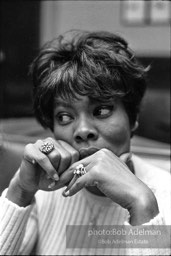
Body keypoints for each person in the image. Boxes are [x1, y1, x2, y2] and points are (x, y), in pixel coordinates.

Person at [0, 30, 170, 256]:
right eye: (65, 117)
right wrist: (20, 191)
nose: (82, 131)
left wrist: (142, 204)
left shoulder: (166, 194)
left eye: (101, 110)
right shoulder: (45, 190)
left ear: (133, 118)